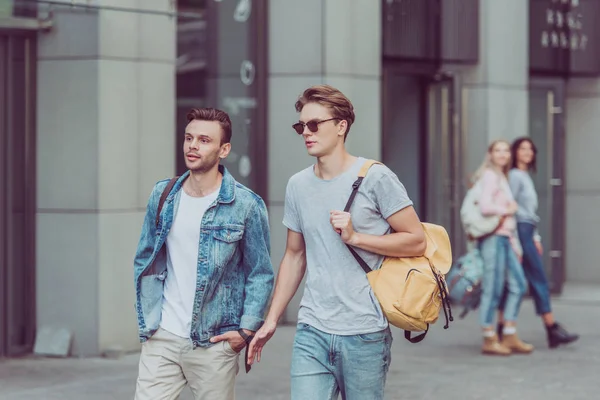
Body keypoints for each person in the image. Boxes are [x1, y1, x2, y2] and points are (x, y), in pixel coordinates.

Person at [247, 85, 426, 399]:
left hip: (364, 332)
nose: (306, 132)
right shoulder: (298, 185)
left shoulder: (375, 177)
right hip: (312, 329)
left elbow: (416, 241)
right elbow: (294, 256)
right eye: (301, 126)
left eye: (315, 124)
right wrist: (271, 320)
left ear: (341, 126)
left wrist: (357, 237)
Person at [132, 108, 274, 400]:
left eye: (204, 140)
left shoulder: (246, 205)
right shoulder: (163, 195)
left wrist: (246, 331)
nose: (193, 145)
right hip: (164, 337)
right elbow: (145, 258)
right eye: (189, 138)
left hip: (214, 342)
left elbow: (260, 272)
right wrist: (150, 322)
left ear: (224, 149)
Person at [497, 137, 579, 348]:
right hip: (520, 231)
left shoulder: (523, 175)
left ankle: (500, 327)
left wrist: (536, 237)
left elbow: (529, 213)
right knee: (537, 278)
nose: (527, 152)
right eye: (522, 148)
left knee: (514, 280)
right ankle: (551, 329)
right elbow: (510, 208)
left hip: (527, 231)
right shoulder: (515, 176)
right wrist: (517, 240)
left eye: (530, 149)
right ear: (515, 152)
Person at [473, 140, 532, 356]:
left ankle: (509, 332)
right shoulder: (489, 176)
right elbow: (486, 206)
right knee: (494, 286)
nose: (503, 154)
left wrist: (515, 244)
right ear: (490, 154)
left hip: (505, 239)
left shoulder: (501, 176)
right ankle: (489, 337)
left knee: (518, 284)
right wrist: (508, 209)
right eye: (498, 150)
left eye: (506, 150)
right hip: (493, 238)